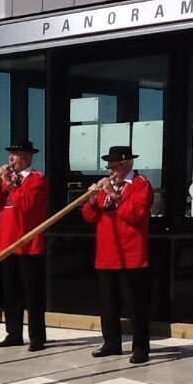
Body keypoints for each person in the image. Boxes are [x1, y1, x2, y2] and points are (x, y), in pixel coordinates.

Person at [83, 145, 154, 364]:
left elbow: (136, 214)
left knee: (135, 306)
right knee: (108, 304)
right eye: (109, 167)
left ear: (126, 165)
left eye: (114, 167)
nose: (110, 171)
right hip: (107, 254)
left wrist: (114, 195)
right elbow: (90, 217)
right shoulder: (106, 187)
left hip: (131, 255)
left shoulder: (141, 184)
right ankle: (111, 343)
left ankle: (141, 348)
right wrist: (92, 199)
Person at [0, 140, 49, 351]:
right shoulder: (7, 180)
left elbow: (27, 205)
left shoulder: (37, 179)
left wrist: (11, 185)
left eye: (16, 154)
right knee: (11, 293)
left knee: (33, 293)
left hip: (29, 244)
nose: (11, 158)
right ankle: (13, 334)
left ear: (28, 156)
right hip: (6, 243)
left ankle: (37, 338)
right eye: (10, 154)